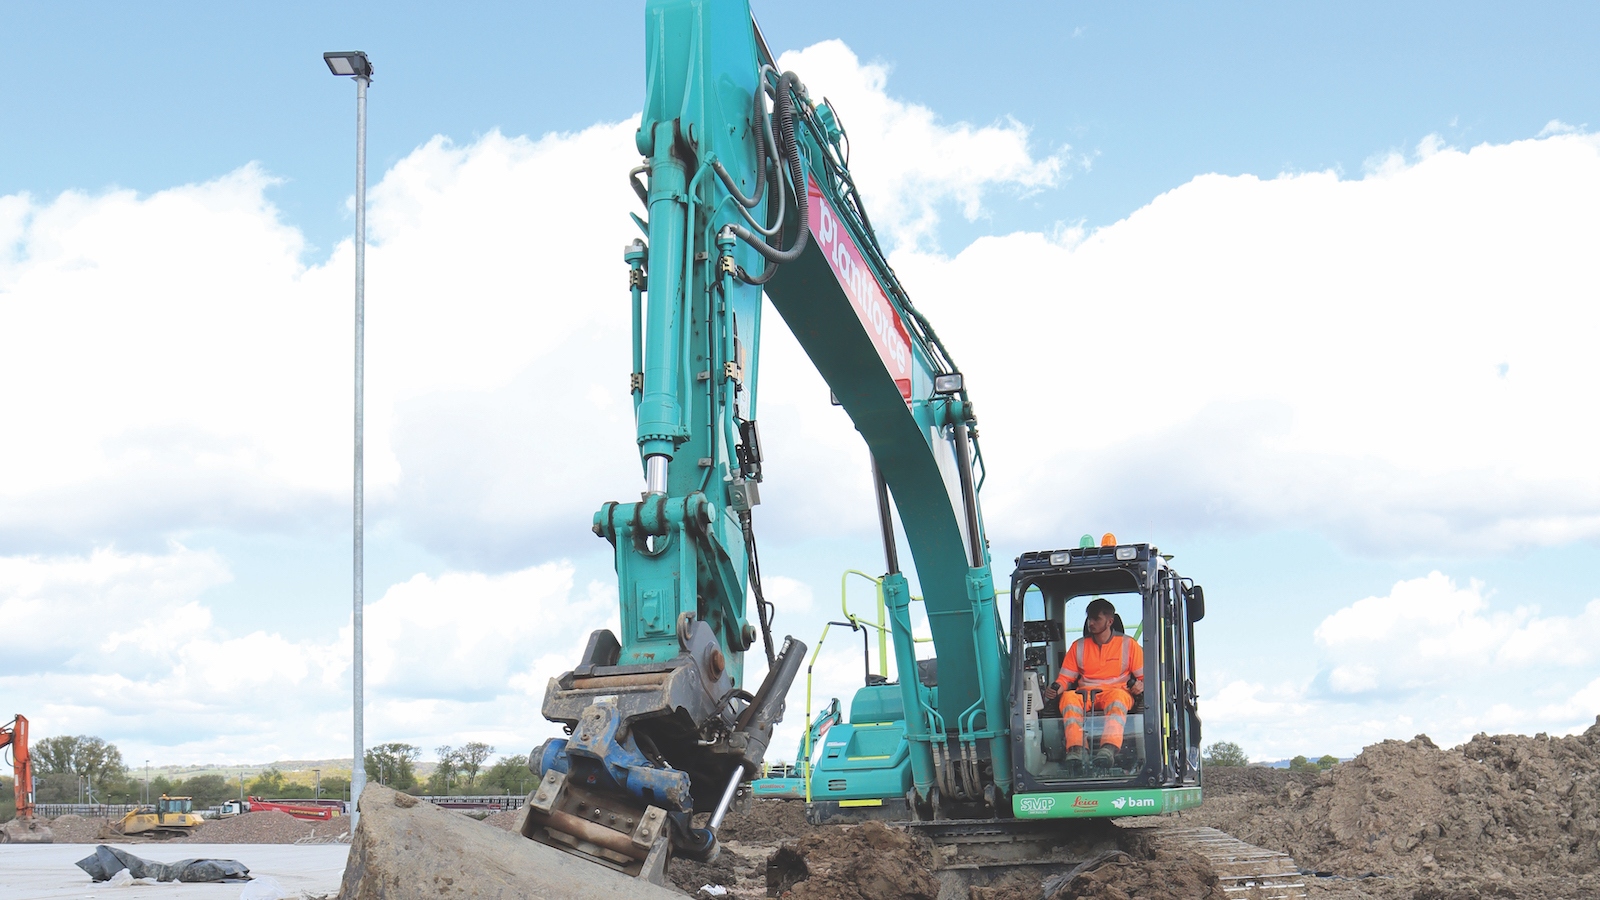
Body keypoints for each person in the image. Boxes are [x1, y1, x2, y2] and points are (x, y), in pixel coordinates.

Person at [1042, 597, 1144, 771]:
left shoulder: (1129, 645)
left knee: (1118, 699)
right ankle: (1077, 750)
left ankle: (1108, 750)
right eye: (1089, 618)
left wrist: (1140, 685)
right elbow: (1065, 679)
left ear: (1110, 621)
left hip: (1117, 692)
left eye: (1096, 619)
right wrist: (1056, 689)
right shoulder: (1078, 646)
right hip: (1085, 695)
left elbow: (1143, 679)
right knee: (1068, 698)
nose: (1091, 623)